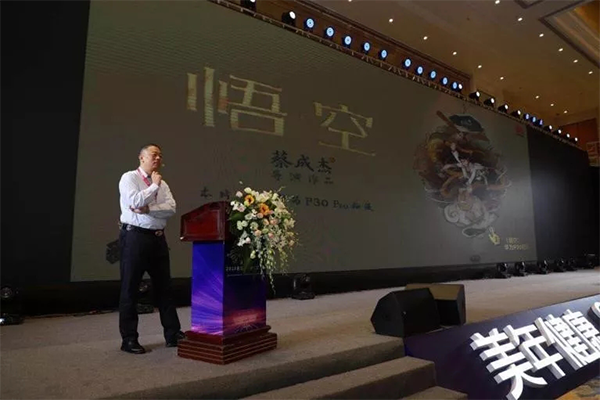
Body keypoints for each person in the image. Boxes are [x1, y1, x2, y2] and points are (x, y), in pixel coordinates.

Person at [117, 144, 184, 354]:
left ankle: (173, 334)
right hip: (135, 238)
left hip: (158, 239)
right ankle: (129, 339)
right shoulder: (129, 178)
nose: (158, 158)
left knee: (165, 288)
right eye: (154, 154)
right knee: (130, 288)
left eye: (160, 155)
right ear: (141, 157)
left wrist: (149, 209)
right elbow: (134, 201)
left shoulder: (163, 183)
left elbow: (171, 208)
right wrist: (153, 187)